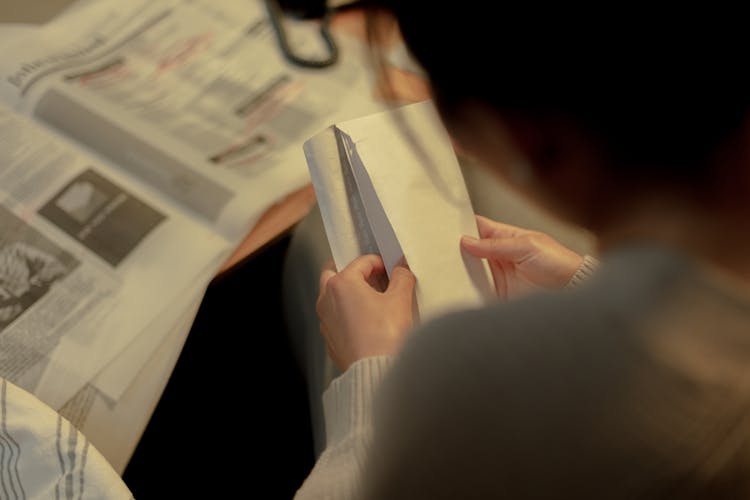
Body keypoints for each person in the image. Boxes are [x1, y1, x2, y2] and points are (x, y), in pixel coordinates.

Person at [290, 4, 750, 499]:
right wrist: (586, 281)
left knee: (311, 239)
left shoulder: (472, 379)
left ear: (529, 141)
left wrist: (373, 380)